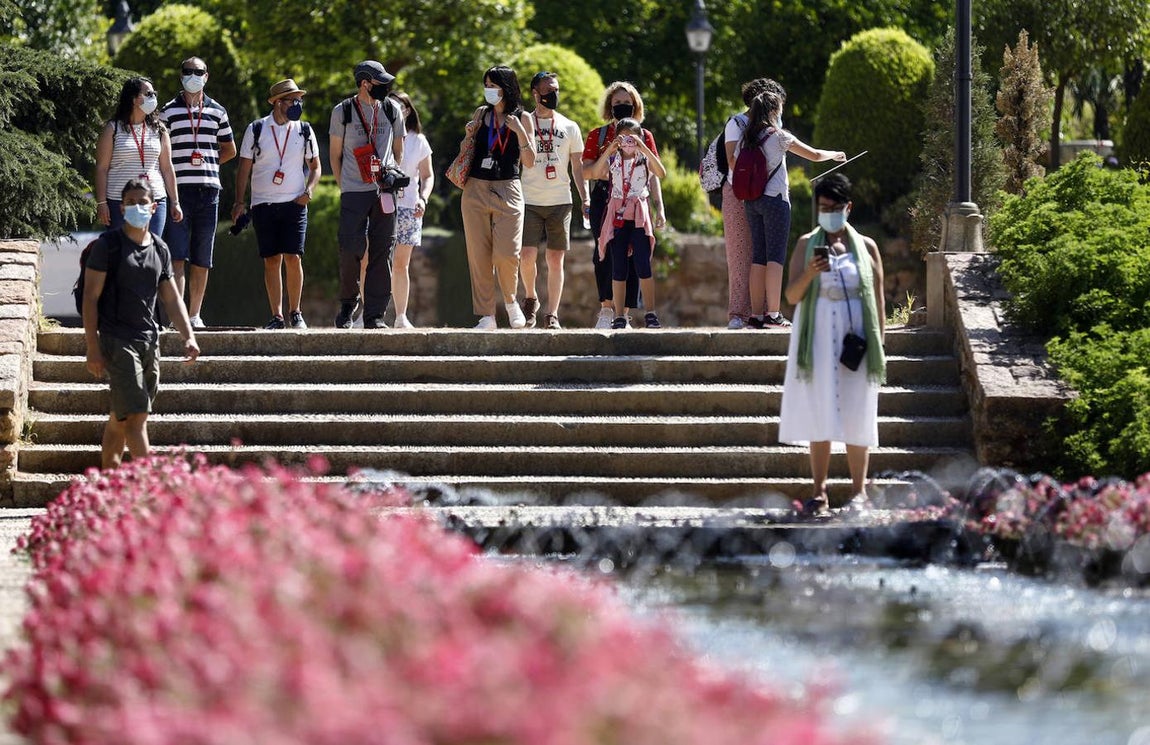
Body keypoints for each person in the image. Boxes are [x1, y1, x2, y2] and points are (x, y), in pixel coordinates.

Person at [778, 174, 886, 515]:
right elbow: (791, 296)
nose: (828, 213)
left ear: (848, 207)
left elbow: (878, 300)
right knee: (820, 406)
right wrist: (810, 272)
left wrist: (880, 345)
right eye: (823, 208)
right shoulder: (805, 244)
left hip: (856, 338)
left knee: (858, 409)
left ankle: (859, 493)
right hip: (819, 335)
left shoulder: (867, 247)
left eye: (834, 208)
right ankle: (819, 491)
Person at [82, 178, 200, 470]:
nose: (137, 207)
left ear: (154, 207)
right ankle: (150, 489)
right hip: (117, 339)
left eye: (142, 202)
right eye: (130, 202)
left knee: (121, 416)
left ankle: (107, 480)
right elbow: (90, 298)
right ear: (121, 208)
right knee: (136, 418)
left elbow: (171, 298)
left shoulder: (160, 248)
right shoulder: (108, 246)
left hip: (149, 339)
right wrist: (92, 347)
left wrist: (188, 336)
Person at [732, 87, 846, 329]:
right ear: (774, 111)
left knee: (759, 257)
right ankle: (773, 313)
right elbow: (814, 155)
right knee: (775, 256)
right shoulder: (780, 136)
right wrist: (835, 154)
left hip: (752, 201)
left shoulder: (745, 137)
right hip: (775, 200)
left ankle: (756, 315)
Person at [232, 79, 322, 329]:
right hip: (263, 203)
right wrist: (239, 202)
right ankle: (277, 316)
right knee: (271, 259)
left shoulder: (304, 130)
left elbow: (316, 167)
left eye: (299, 100)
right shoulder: (257, 128)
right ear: (278, 103)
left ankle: (296, 312)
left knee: (294, 257)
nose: (297, 104)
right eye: (292, 100)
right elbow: (244, 168)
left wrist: (309, 191)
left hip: (295, 202)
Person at [158, 56, 236, 329]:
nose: (193, 75)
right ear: (181, 76)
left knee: (203, 257)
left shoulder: (218, 111)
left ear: (207, 76)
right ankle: (177, 317)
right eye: (188, 71)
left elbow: (230, 149)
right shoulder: (167, 112)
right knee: (177, 256)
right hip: (177, 192)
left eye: (198, 71)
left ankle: (194, 315)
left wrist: (209, 162)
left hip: (209, 191)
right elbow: (160, 152)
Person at [582, 82, 666, 329]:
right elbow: (587, 171)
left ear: (635, 105)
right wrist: (610, 153)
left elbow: (653, 174)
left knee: (635, 258)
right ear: (610, 106)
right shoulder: (598, 135)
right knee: (604, 254)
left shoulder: (644, 136)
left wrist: (659, 207)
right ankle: (606, 309)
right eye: (617, 103)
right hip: (606, 200)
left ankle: (624, 313)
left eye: (627, 102)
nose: (622, 106)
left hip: (637, 203)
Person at [329, 60, 405, 329]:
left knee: (383, 251)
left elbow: (398, 150)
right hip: (353, 190)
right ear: (364, 83)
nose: (386, 87)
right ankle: (348, 303)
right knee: (350, 248)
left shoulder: (392, 109)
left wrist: (392, 175)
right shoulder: (343, 111)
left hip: (384, 191)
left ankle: (375, 315)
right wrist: (344, 185)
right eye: (380, 82)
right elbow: (334, 155)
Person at [459, 65, 535, 330]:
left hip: (508, 189)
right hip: (475, 188)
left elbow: (530, 161)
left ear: (507, 87)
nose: (489, 90)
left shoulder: (523, 117)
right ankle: (486, 315)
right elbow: (466, 151)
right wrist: (469, 135)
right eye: (487, 85)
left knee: (507, 253)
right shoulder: (481, 113)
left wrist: (520, 132)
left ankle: (511, 302)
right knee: (478, 255)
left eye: (493, 85)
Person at [518, 71, 588, 330]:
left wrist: (585, 198)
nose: (554, 95)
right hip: (529, 199)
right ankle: (531, 298)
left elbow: (578, 167)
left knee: (556, 259)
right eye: (548, 91)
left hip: (560, 200)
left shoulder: (570, 126)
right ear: (535, 94)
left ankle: (552, 314)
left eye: (556, 90)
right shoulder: (524, 123)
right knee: (526, 256)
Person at [94, 77, 183, 236]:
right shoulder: (113, 129)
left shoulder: (159, 129)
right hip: (120, 202)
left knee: (151, 246)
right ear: (134, 99)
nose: (153, 97)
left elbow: (167, 168)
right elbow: (101, 168)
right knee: (121, 249)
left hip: (154, 200)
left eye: (154, 94)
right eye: (148, 94)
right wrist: (102, 202)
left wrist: (175, 202)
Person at [721, 77, 774, 329]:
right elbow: (732, 160)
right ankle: (738, 314)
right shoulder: (737, 123)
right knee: (739, 254)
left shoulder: (774, 126)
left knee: (764, 254)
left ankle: (763, 313)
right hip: (739, 192)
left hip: (766, 193)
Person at [388, 90, 434, 329]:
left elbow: (427, 176)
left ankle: (400, 316)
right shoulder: (380, 136)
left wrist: (423, 199)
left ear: (407, 111)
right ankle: (367, 315)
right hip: (381, 204)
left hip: (408, 207)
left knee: (401, 264)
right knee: (371, 262)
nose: (396, 111)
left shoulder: (419, 140)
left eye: (400, 106)